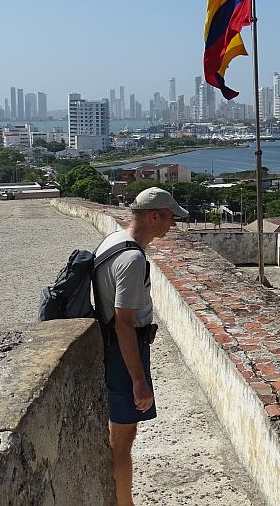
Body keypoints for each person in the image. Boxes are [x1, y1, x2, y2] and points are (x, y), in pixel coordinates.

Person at [93, 186, 188, 505]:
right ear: (154, 216)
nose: (171, 225)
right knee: (123, 440)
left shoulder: (114, 241)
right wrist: (138, 381)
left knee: (118, 435)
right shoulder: (132, 259)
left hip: (112, 347)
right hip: (123, 352)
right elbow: (123, 323)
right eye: (170, 218)